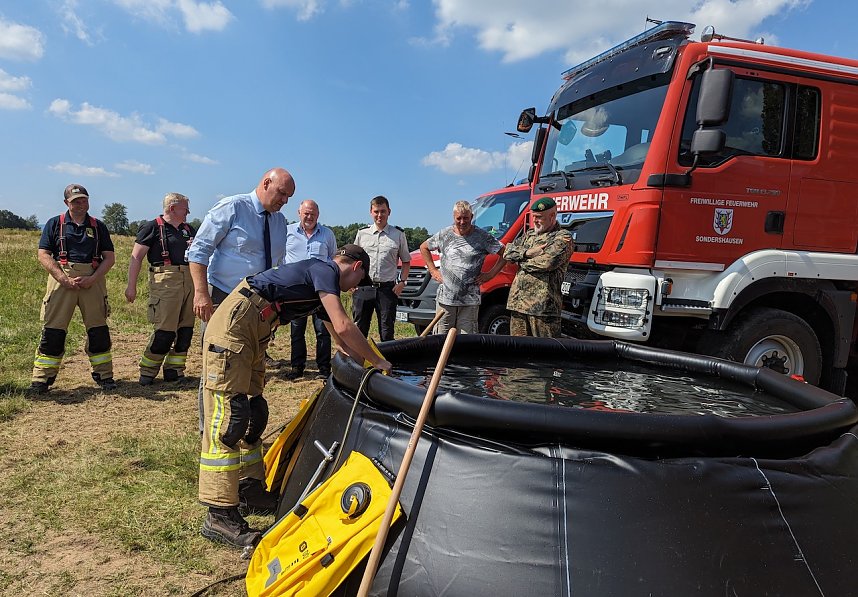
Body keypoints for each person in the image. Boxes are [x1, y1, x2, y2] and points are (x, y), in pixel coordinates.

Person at [198, 245, 392, 548]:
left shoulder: (317, 287)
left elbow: (339, 339)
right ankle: (219, 512)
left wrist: (363, 368)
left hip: (256, 328)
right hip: (235, 327)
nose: (355, 289)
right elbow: (344, 323)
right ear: (356, 266)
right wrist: (377, 362)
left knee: (254, 412)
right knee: (229, 420)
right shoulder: (325, 270)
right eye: (359, 281)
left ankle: (249, 488)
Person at [188, 168, 294, 440]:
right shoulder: (233, 208)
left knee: (250, 366)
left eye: (289, 197)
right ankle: (209, 432)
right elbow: (199, 250)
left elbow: (277, 266)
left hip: (258, 305)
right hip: (222, 298)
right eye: (281, 193)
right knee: (216, 367)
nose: (284, 200)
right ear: (266, 183)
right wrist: (201, 293)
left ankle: (238, 428)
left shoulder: (280, 222)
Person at [30, 184, 116, 393]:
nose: (81, 204)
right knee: (53, 331)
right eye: (76, 200)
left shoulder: (98, 226)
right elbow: (43, 254)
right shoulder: (54, 224)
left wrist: (94, 278)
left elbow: (109, 258)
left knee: (98, 331)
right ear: (66, 202)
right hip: (62, 281)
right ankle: (41, 378)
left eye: (84, 200)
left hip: (92, 281)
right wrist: (62, 278)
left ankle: (104, 375)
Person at [125, 193, 196, 385]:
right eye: (185, 208)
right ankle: (148, 371)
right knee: (165, 331)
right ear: (172, 208)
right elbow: (136, 258)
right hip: (165, 281)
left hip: (189, 280)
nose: (188, 211)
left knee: (185, 331)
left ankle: (174, 371)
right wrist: (131, 286)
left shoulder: (189, 230)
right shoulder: (152, 227)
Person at [420, 200, 506, 334]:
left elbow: (504, 253)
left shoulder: (482, 236)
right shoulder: (445, 234)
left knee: (466, 343)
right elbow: (424, 247)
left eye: (465, 218)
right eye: (458, 218)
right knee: (441, 340)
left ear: (471, 217)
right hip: (446, 301)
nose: (462, 222)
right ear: (453, 217)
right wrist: (433, 270)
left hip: (469, 302)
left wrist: (490, 274)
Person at [283, 199, 337, 380]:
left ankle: (323, 369)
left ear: (318, 215)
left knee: (323, 330)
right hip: (295, 290)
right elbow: (280, 258)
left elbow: (333, 260)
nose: (309, 216)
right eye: (306, 213)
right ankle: (297, 367)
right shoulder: (287, 232)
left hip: (320, 290)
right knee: (297, 330)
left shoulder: (327, 234)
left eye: (313, 213)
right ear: (299, 213)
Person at [503, 197, 573, 337]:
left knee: (544, 353)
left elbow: (547, 262)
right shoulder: (529, 235)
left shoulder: (562, 237)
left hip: (543, 310)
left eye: (539, 217)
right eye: (533, 216)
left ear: (552, 216)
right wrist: (527, 252)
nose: (534, 221)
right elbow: (507, 253)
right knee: (517, 351)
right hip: (518, 305)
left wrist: (520, 261)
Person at [352, 195, 411, 341]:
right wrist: (352, 283)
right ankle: (358, 361)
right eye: (376, 211)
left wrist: (402, 282)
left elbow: (406, 261)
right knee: (359, 329)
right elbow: (353, 259)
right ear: (371, 212)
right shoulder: (362, 233)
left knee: (387, 331)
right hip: (364, 288)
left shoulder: (398, 234)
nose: (380, 215)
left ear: (389, 212)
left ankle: (386, 363)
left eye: (383, 211)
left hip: (387, 290)